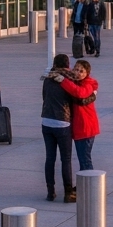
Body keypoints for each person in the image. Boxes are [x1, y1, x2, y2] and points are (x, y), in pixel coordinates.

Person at [41, 53, 76, 202]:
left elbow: (44, 97)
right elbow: (74, 100)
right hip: (63, 122)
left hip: (46, 121)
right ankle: (68, 192)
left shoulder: (48, 79)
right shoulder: (68, 79)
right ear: (67, 65)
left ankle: (51, 191)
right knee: (66, 159)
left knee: (50, 158)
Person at [55, 59, 100, 171]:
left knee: (85, 159)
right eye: (76, 69)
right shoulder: (76, 81)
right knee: (83, 158)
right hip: (80, 127)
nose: (78, 73)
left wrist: (63, 81)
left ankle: (89, 185)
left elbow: (79, 93)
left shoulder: (88, 84)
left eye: (81, 71)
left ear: (87, 74)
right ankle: (84, 183)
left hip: (85, 128)